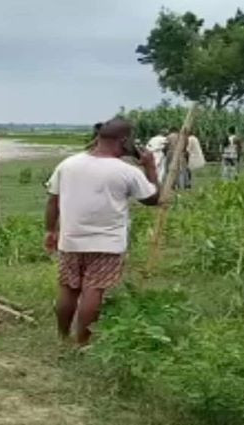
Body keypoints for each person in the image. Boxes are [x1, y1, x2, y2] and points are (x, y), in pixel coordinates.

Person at [44, 118, 160, 345]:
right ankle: (82, 343)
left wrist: (50, 230)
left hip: (71, 239)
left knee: (68, 289)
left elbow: (52, 201)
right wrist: (150, 167)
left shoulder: (68, 164)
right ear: (124, 141)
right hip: (107, 243)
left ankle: (62, 337)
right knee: (93, 291)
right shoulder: (127, 171)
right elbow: (153, 199)